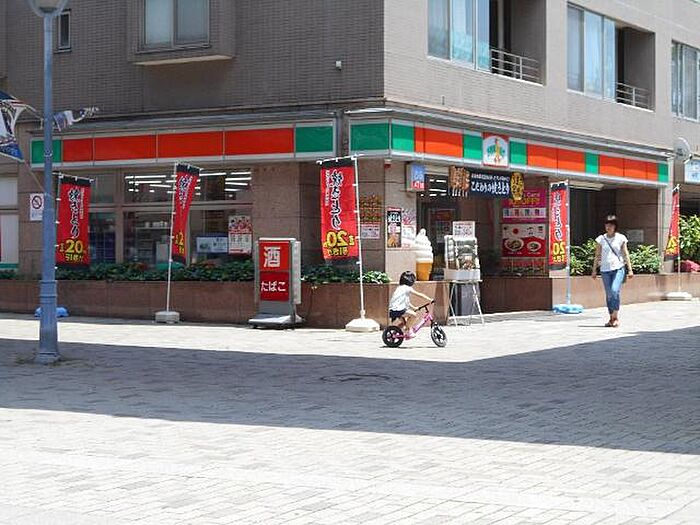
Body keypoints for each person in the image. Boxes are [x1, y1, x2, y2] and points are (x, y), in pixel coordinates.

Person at [591, 215, 634, 327]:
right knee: (609, 294)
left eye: (611, 225)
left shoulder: (621, 238)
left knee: (614, 291)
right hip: (605, 270)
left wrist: (630, 270)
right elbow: (597, 255)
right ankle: (611, 317)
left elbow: (625, 254)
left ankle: (615, 316)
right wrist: (594, 270)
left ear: (615, 226)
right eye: (606, 225)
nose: (608, 227)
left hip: (618, 268)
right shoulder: (601, 239)